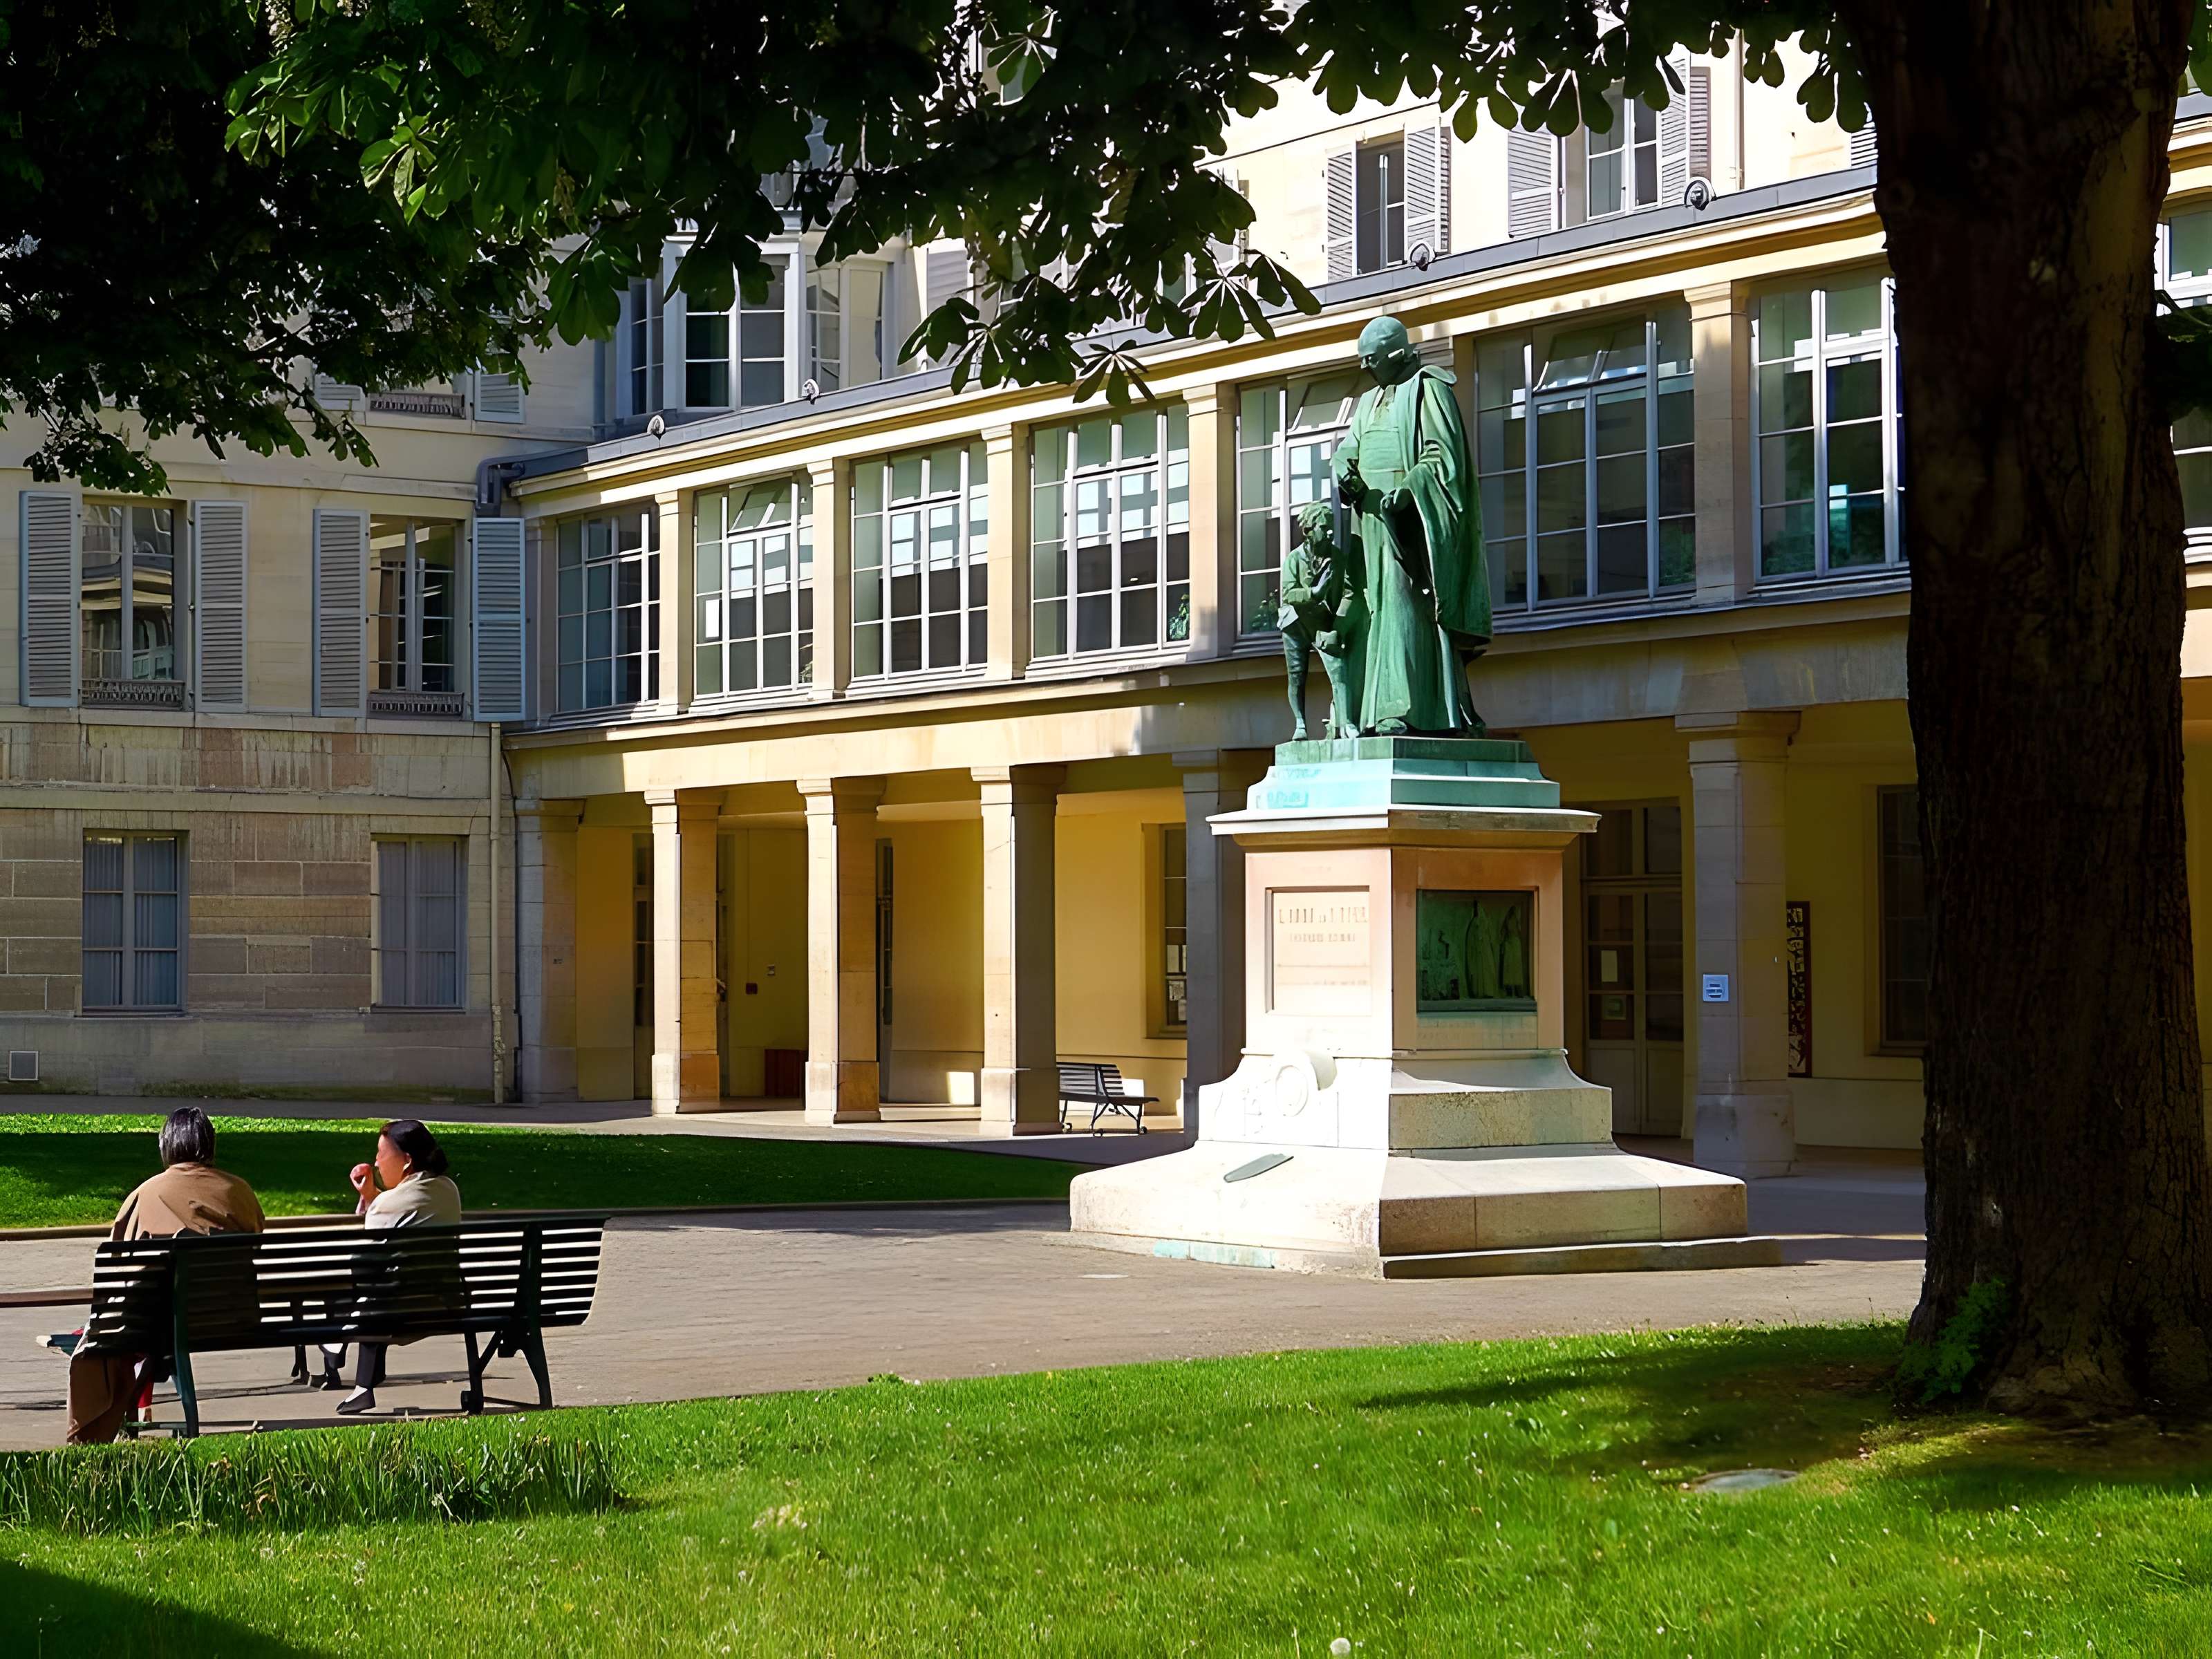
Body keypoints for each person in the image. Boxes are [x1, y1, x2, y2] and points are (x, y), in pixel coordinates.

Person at [63, 1106, 265, 1444]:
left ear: (166, 1146)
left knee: (107, 1335)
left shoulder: (147, 1194)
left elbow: (119, 1269)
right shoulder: (240, 1192)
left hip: (157, 1325)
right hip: (233, 1320)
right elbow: (256, 1244)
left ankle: (92, 1437)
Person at [1331, 314, 1490, 735]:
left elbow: (1445, 457)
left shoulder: (1429, 387)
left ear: (1396, 354)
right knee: (1370, 611)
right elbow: (1350, 444)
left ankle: (1405, 710)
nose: (1365, 368)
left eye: (1371, 359)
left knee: (1403, 606)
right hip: (1369, 521)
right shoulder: (1367, 402)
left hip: (1409, 524)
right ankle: (1366, 713)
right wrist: (1342, 463)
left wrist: (1409, 492)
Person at [321, 1118, 462, 1415]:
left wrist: (373, 1200)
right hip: (447, 1304)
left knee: (362, 1288)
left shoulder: (389, 1202)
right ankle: (356, 1376)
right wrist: (372, 1197)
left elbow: (367, 1255)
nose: (376, 1162)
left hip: (398, 1312)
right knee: (386, 1284)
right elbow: (407, 1214)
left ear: (406, 1160)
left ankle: (336, 1344)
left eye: (381, 1155)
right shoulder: (449, 1189)